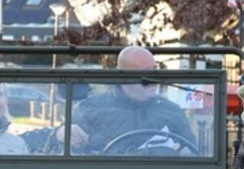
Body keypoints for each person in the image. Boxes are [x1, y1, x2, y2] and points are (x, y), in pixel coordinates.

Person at [65, 45, 197, 154]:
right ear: (124, 76)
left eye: (155, 71)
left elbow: (194, 153)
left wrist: (187, 154)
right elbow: (60, 148)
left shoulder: (172, 112)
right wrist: (60, 134)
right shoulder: (91, 108)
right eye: (146, 74)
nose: (154, 80)